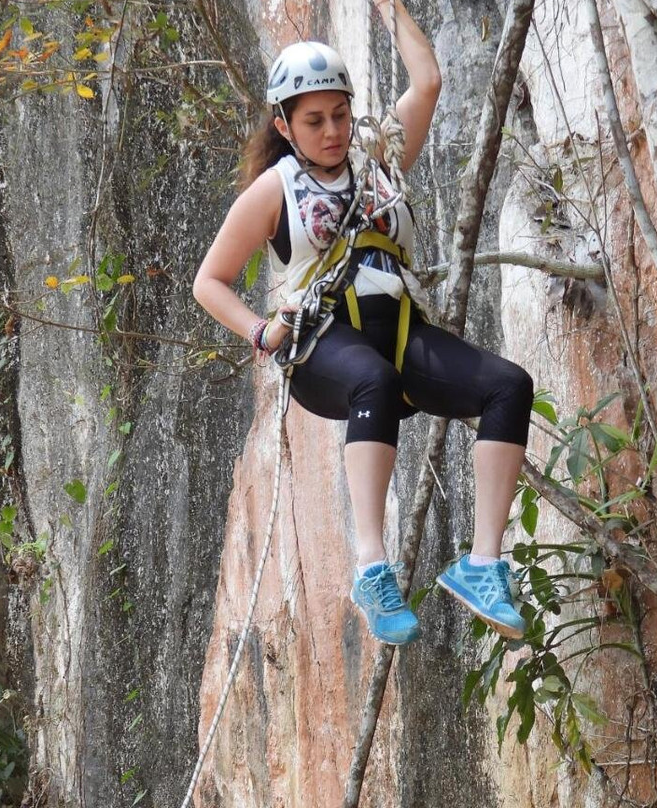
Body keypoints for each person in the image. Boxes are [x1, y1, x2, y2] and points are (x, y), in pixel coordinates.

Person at [192, 0, 533, 646]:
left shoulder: (380, 161)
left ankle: (484, 566)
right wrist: (260, 332)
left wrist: (388, 9)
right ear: (284, 126)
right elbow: (208, 281)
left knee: (508, 387)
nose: (332, 131)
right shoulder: (275, 190)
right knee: (372, 380)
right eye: (315, 121)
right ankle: (373, 571)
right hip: (323, 346)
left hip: (398, 331)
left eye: (341, 115)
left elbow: (427, 81)